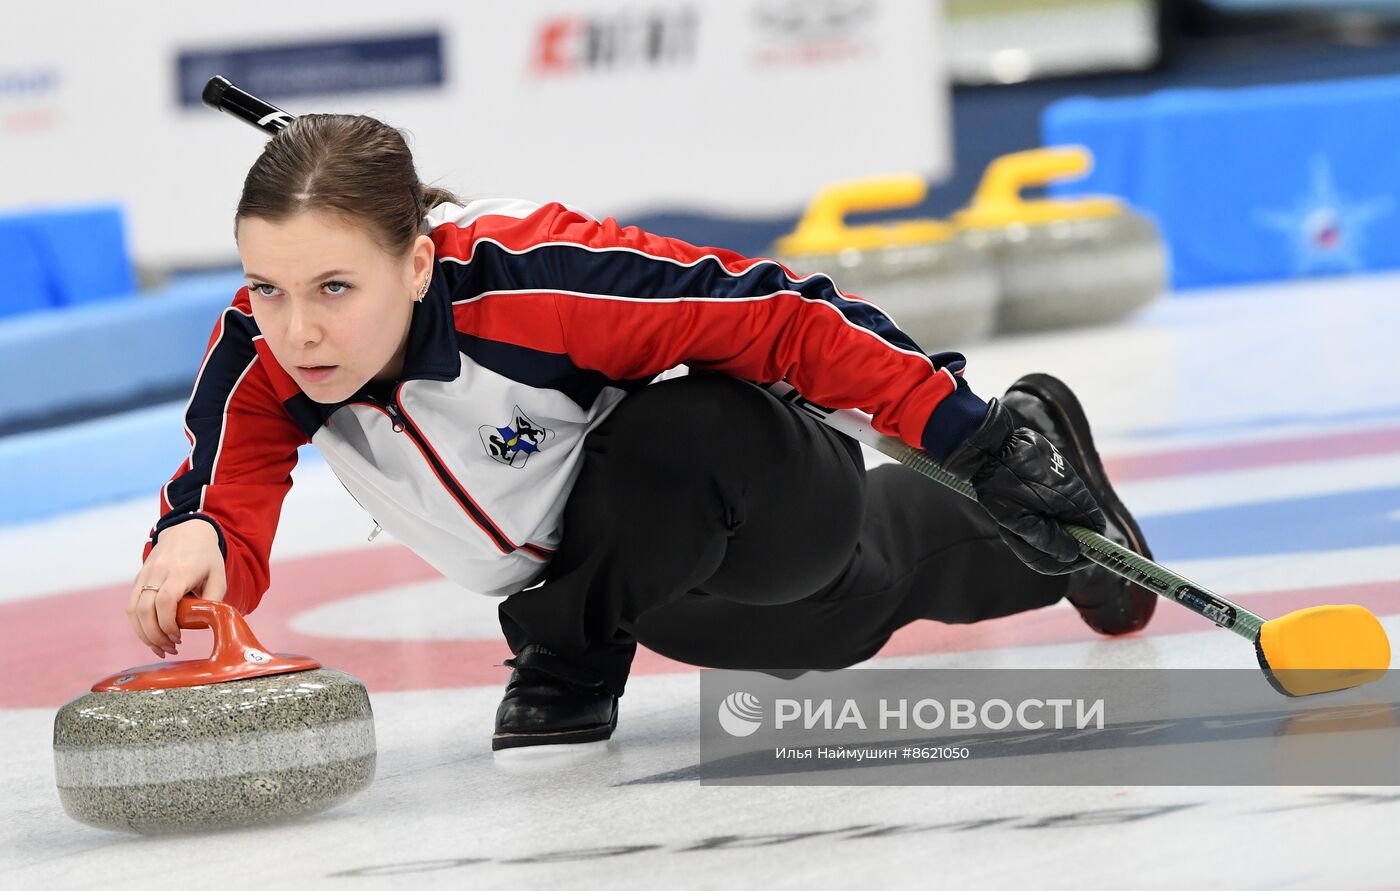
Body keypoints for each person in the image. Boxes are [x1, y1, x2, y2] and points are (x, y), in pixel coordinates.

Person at [127, 114, 1155, 751]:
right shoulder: (269, 349)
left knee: (683, 434)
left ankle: (566, 653)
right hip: (646, 581)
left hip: (752, 476)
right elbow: (227, 472)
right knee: (842, 611)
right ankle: (1062, 541)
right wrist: (197, 540)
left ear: (415, 265)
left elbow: (782, 315)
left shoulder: (537, 280)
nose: (298, 327)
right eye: (267, 286)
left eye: (333, 286)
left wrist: (973, 439)